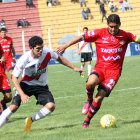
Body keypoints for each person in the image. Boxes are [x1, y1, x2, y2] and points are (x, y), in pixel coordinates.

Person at [56, 14, 140, 128]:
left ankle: (87, 121)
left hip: (114, 73)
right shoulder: (99, 33)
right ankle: (89, 100)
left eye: (115, 27)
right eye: (111, 26)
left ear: (119, 25)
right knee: (90, 82)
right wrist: (65, 46)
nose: (113, 29)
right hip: (100, 68)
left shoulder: (126, 35)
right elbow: (81, 37)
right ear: (107, 25)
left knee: (100, 96)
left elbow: (137, 39)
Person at [0, 36, 84, 132]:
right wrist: (22, 94)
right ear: (31, 48)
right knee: (13, 107)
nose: (40, 50)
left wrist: (74, 68)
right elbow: (14, 78)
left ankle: (30, 120)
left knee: (51, 106)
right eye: (38, 49)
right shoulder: (24, 59)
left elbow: (59, 58)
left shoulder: (47, 52)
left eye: (42, 47)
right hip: (26, 85)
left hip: (41, 86)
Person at [0, 44, 12, 115]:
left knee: (9, 97)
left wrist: (2, 58)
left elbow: (2, 54)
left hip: (2, 75)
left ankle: (2, 102)